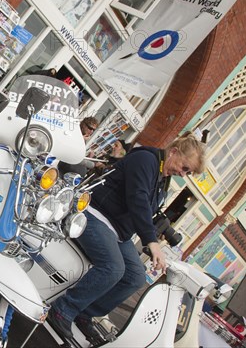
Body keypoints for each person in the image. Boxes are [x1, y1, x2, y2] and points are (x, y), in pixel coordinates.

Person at [47, 132, 206, 342]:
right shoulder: (146, 159)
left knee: (136, 277)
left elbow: (145, 208)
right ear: (174, 152)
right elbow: (137, 199)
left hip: (117, 231)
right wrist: (152, 241)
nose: (183, 174)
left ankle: (86, 312)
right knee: (114, 268)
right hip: (94, 214)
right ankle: (63, 309)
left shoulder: (162, 178)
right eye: (185, 168)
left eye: (188, 172)